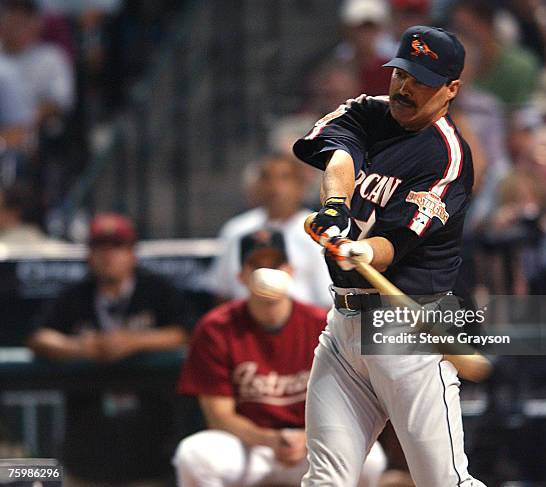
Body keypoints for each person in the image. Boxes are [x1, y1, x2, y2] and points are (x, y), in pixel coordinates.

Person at [293, 25, 485, 486]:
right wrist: (335, 207)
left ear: (451, 89)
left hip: (406, 331)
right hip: (343, 329)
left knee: (444, 482)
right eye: (401, 72)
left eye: (421, 79)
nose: (404, 86)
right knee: (325, 480)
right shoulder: (367, 111)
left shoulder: (448, 158)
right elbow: (339, 154)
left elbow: (393, 246)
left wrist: (360, 248)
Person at [173, 229, 386, 487]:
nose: (268, 273)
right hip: (249, 446)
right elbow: (219, 416)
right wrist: (271, 440)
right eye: (258, 266)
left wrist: (307, 439)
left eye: (275, 265)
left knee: (371, 458)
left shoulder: (322, 322)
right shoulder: (216, 327)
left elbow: (349, 404)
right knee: (194, 455)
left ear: (291, 271)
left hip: (312, 444)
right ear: (241, 276)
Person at [28, 213, 190, 487]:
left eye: (117, 247)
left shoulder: (156, 290)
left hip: (150, 441)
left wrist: (135, 341)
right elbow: (39, 337)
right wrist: (79, 346)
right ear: (89, 255)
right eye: (100, 248)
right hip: (88, 441)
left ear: (132, 254)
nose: (108, 256)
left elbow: (186, 332)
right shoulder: (75, 295)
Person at [207, 153, 332, 307]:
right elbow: (222, 293)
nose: (275, 186)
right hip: (245, 324)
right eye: (266, 178)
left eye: (285, 178)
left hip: (304, 326)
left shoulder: (320, 230)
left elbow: (329, 301)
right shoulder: (236, 229)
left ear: (301, 185)